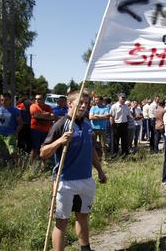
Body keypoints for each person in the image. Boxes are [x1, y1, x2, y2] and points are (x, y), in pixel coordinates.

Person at [40, 91, 107, 251]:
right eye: (80, 102)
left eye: (86, 103)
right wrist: (60, 141)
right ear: (70, 104)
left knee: (83, 217)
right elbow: (43, 152)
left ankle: (86, 248)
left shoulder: (87, 125)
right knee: (61, 222)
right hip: (64, 182)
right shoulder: (61, 124)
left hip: (86, 180)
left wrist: (100, 170)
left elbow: (91, 150)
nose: (84, 106)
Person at [30, 94, 55, 168]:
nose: (37, 100)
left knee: (44, 148)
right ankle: (32, 165)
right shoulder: (33, 106)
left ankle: (43, 165)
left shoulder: (48, 107)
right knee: (35, 148)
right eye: (36, 99)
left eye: (39, 99)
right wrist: (47, 114)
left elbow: (52, 117)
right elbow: (36, 115)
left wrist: (42, 115)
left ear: (43, 99)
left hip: (45, 130)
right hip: (35, 130)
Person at [0, 93, 24, 165]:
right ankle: (5, 167)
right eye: (2, 100)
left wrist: (16, 132)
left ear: (10, 100)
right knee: (2, 152)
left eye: (6, 100)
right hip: (0, 135)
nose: (4, 101)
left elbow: (20, 123)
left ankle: (21, 167)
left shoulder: (15, 111)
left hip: (10, 135)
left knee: (13, 152)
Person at [89, 96, 110, 162]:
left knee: (103, 144)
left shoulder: (106, 108)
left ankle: (104, 159)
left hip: (103, 128)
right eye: (95, 100)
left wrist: (96, 115)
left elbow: (107, 117)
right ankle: (94, 158)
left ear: (101, 101)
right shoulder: (93, 107)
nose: (96, 101)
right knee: (93, 144)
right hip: (94, 128)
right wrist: (102, 116)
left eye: (97, 100)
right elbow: (90, 117)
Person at [109, 93, 129, 158]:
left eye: (124, 98)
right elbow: (111, 116)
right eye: (122, 98)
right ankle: (114, 154)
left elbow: (128, 115)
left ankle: (124, 153)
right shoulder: (114, 106)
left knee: (124, 140)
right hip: (116, 124)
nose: (123, 99)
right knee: (115, 140)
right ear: (118, 97)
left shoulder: (126, 106)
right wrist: (112, 125)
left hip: (124, 124)